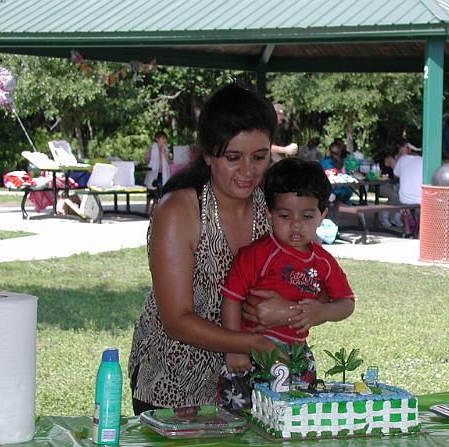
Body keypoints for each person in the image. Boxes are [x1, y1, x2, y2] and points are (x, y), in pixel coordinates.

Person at [128, 84, 301, 412]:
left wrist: (290, 310)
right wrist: (250, 343)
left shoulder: (277, 210)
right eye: (233, 157)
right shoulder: (180, 211)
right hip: (175, 380)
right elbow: (176, 319)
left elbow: (309, 278)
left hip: (260, 380)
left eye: (260, 157)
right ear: (208, 154)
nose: (248, 171)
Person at [220, 158, 355, 406]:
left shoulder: (323, 262)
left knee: (295, 417)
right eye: (284, 215)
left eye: (306, 216)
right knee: (243, 420)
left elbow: (346, 303)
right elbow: (231, 299)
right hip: (251, 355)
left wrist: (322, 312)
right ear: (269, 214)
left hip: (298, 356)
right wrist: (234, 348)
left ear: (322, 214)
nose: (295, 225)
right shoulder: (256, 255)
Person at [393, 141, 423, 237]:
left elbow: (396, 173)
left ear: (409, 149)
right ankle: (419, 232)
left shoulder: (403, 159)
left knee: (403, 200)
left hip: (405, 199)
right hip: (421, 199)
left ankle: (407, 230)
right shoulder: (424, 160)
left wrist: (400, 155)